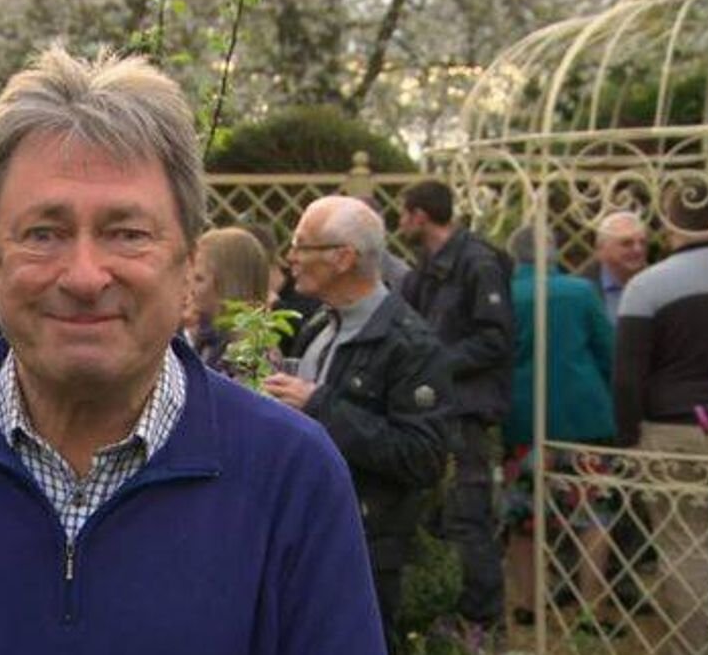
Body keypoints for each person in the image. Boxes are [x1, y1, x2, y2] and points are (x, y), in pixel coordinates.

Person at [0, 47, 385, 655]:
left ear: (188, 263)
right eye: (43, 233)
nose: (85, 276)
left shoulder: (291, 477)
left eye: (127, 233)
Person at [263, 196, 450, 652]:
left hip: (366, 550)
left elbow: (423, 456)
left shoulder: (410, 344)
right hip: (304, 535)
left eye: (301, 245)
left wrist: (319, 404)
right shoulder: (318, 327)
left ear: (343, 257)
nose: (290, 257)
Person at [613, 183, 708, 655]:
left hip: (675, 432)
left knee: (686, 548)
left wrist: (628, 437)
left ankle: (696, 648)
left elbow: (627, 377)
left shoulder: (648, 286)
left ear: (668, 221)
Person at [397, 179, 515, 634]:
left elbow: (496, 339)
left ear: (420, 215)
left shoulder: (477, 263)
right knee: (435, 521)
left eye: (404, 214)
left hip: (466, 415)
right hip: (434, 413)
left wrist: (436, 363)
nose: (400, 223)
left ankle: (483, 629)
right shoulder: (425, 271)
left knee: (468, 522)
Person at [500, 225, 618, 633]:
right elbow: (608, 351)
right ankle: (593, 609)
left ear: (515, 255)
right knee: (593, 517)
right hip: (584, 420)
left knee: (524, 517)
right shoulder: (580, 292)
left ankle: (529, 605)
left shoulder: (506, 296)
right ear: (553, 252)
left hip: (523, 422)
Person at [185, 227, 271, 375]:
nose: (189, 286)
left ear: (228, 286)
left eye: (199, 279)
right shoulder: (206, 339)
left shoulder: (249, 353)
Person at [577, 211, 649, 324]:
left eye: (643, 243)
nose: (638, 249)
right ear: (601, 250)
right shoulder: (581, 290)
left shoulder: (656, 284)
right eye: (626, 243)